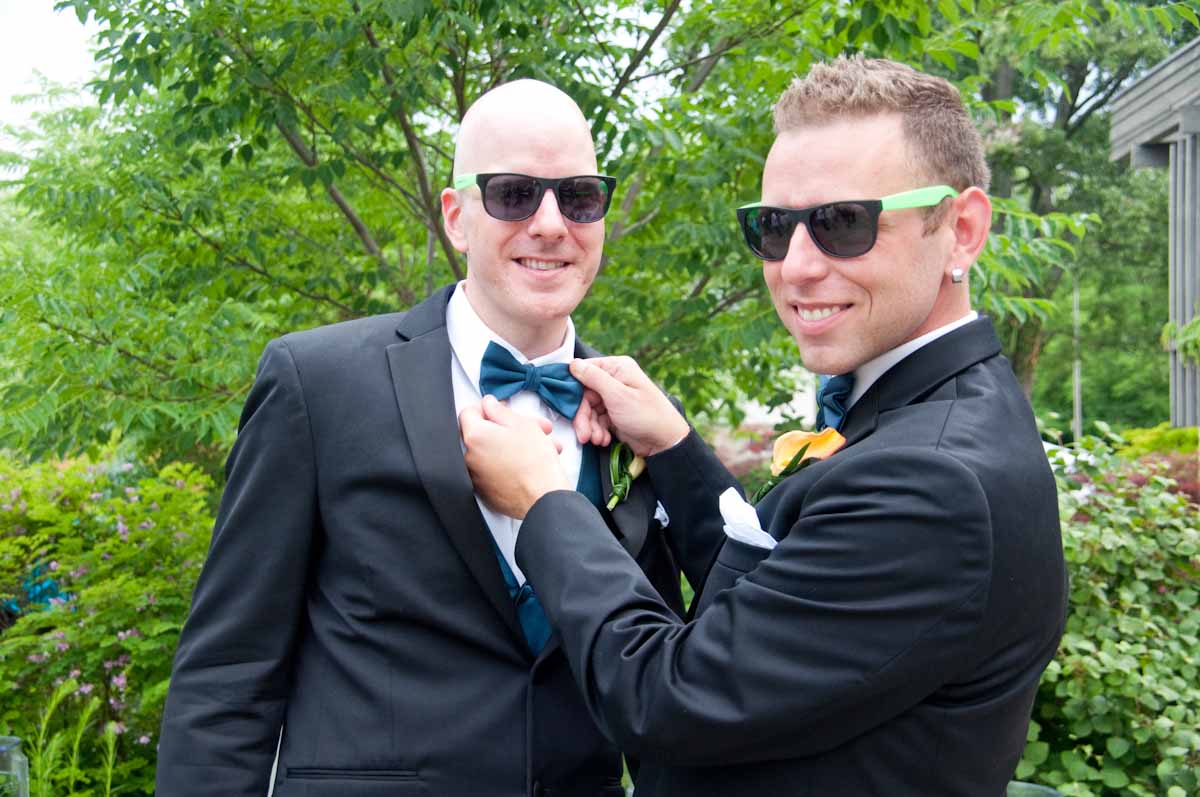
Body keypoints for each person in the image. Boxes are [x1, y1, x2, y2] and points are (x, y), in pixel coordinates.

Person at [460, 57, 1068, 796]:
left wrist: (544, 504)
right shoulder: (918, 411)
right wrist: (675, 448)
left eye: (843, 223)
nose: (798, 266)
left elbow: (668, 697)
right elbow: (785, 598)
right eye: (775, 227)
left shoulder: (935, 482)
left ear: (962, 230)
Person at [155, 79, 720, 797]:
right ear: (456, 217)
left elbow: (696, 657)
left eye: (579, 197)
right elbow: (228, 673)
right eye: (514, 194)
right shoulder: (318, 383)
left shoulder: (642, 419)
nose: (551, 224)